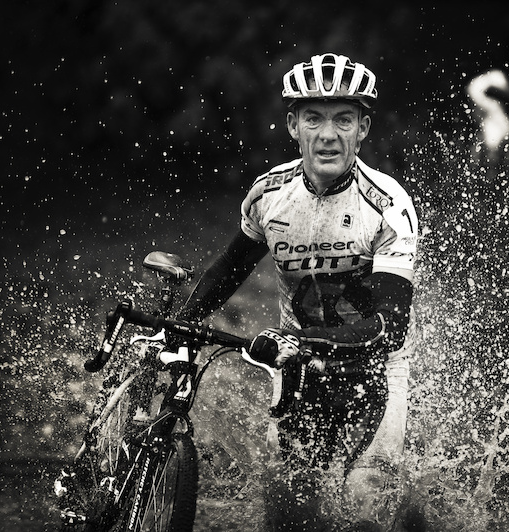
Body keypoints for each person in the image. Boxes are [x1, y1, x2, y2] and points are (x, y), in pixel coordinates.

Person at [175, 53, 419, 531]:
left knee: (366, 500)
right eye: (314, 119)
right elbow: (228, 270)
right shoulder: (269, 196)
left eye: (343, 120)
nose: (328, 135)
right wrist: (182, 323)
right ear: (292, 125)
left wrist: (308, 342)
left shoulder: (389, 205)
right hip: (298, 368)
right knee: (287, 509)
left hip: (375, 369)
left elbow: (392, 327)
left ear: (363, 128)